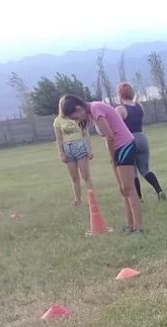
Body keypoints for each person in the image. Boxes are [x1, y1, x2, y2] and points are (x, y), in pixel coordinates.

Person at [60, 95, 143, 233]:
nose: (78, 120)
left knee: (129, 188)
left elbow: (110, 136)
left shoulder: (96, 108)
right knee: (123, 189)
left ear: (78, 108)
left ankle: (139, 227)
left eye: (75, 117)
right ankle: (130, 226)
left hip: (124, 146)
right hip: (118, 149)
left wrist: (112, 158)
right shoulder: (93, 111)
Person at [115, 82, 167, 202]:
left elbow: (117, 126)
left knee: (132, 172)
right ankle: (159, 190)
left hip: (128, 140)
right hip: (142, 138)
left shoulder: (120, 109)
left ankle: (138, 198)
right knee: (145, 169)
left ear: (120, 94)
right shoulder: (139, 106)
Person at [53, 102, 94, 206]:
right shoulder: (58, 121)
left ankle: (92, 199)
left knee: (86, 176)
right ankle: (78, 199)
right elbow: (59, 139)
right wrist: (61, 153)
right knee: (74, 178)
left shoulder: (77, 115)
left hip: (80, 147)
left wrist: (89, 149)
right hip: (68, 149)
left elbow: (86, 133)